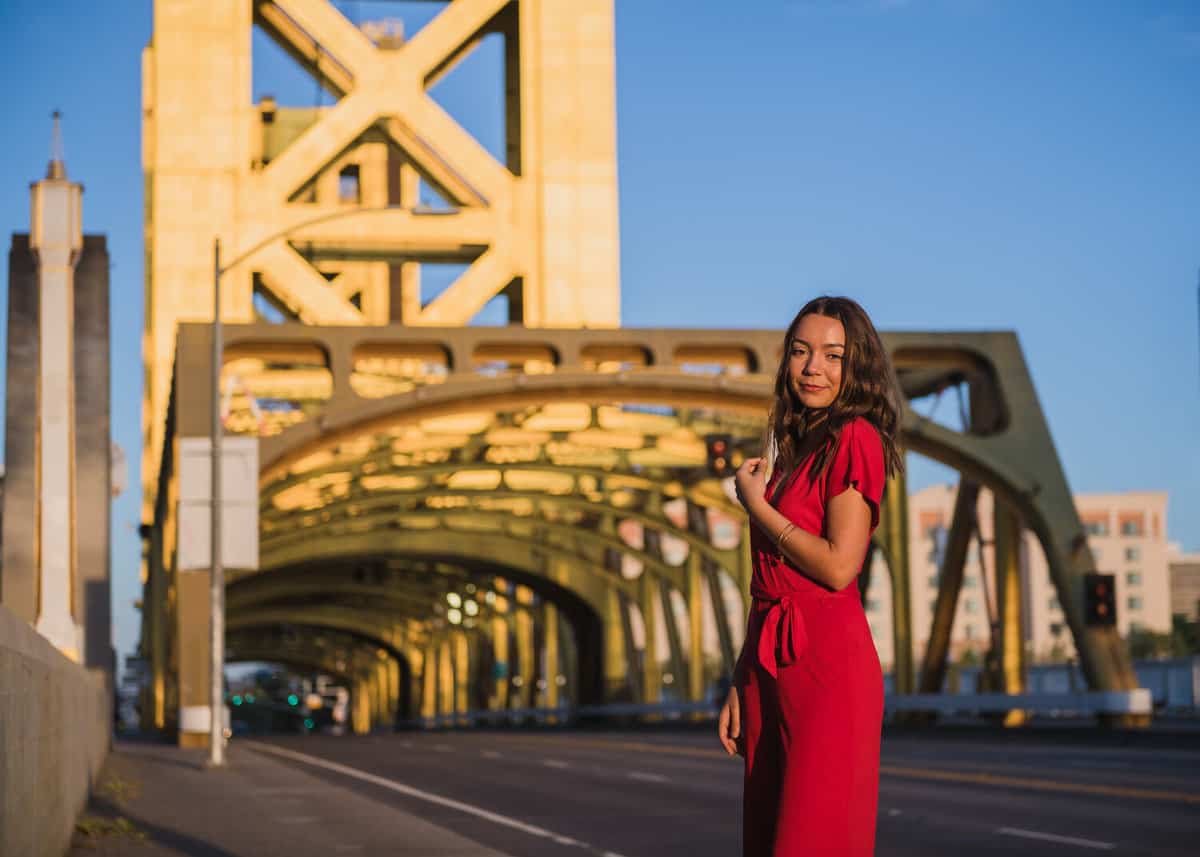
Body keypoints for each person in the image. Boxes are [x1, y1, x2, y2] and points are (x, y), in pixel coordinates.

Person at [717, 296, 903, 856]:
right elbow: (767, 583)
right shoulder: (801, 446)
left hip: (826, 666)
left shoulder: (855, 438)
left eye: (832, 355)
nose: (812, 367)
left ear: (858, 366)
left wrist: (758, 507)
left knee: (810, 840)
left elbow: (839, 565)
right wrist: (741, 677)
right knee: (770, 834)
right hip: (771, 665)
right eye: (801, 352)